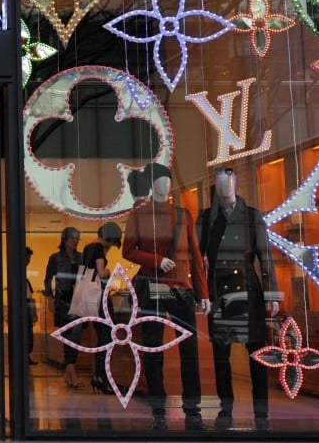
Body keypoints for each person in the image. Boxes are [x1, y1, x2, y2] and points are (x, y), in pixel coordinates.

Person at [122, 162, 210, 431]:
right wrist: (156, 260)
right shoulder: (139, 214)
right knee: (153, 347)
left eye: (167, 179)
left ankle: (192, 406)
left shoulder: (183, 215)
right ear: (151, 184)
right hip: (154, 286)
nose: (165, 184)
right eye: (159, 179)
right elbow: (128, 250)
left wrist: (203, 292)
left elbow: (195, 256)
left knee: (190, 348)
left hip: (181, 288)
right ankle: (157, 405)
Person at [197, 166, 278, 431]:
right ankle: (225, 407)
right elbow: (197, 260)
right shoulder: (206, 218)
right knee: (221, 356)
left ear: (235, 184)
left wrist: (272, 294)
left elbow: (265, 257)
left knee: (257, 355)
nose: (223, 187)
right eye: (219, 182)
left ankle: (262, 412)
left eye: (227, 182)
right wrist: (200, 292)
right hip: (218, 293)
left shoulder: (252, 217)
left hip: (248, 293)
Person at [82, 221, 123, 394]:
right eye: (113, 242)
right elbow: (101, 272)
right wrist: (111, 270)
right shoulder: (99, 248)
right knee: (108, 339)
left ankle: (98, 377)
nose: (113, 246)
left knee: (103, 339)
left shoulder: (89, 247)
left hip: (91, 297)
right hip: (100, 299)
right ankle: (103, 379)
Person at [44, 226, 83, 389]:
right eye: (72, 238)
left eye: (77, 239)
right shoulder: (55, 258)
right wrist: (50, 299)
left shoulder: (81, 257)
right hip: (63, 301)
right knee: (69, 335)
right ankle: (71, 371)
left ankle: (69, 370)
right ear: (64, 239)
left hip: (79, 300)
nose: (75, 241)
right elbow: (47, 280)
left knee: (76, 336)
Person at [24, 246, 38, 365]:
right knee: (27, 331)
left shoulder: (22, 274)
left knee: (28, 330)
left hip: (27, 305)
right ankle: (25, 355)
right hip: (25, 305)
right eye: (27, 258)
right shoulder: (18, 274)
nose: (28, 261)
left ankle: (26, 354)